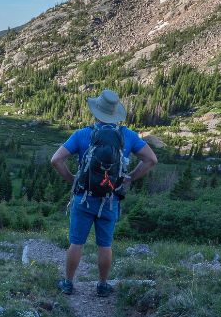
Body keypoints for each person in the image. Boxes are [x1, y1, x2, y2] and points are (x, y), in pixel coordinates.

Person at [50, 89, 158, 296]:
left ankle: (68, 283)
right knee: (104, 245)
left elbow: (56, 160)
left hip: (84, 197)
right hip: (110, 199)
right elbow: (151, 159)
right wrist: (130, 177)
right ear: (116, 113)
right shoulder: (128, 136)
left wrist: (73, 179)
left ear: (96, 112)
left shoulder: (83, 134)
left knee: (76, 242)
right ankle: (101, 286)